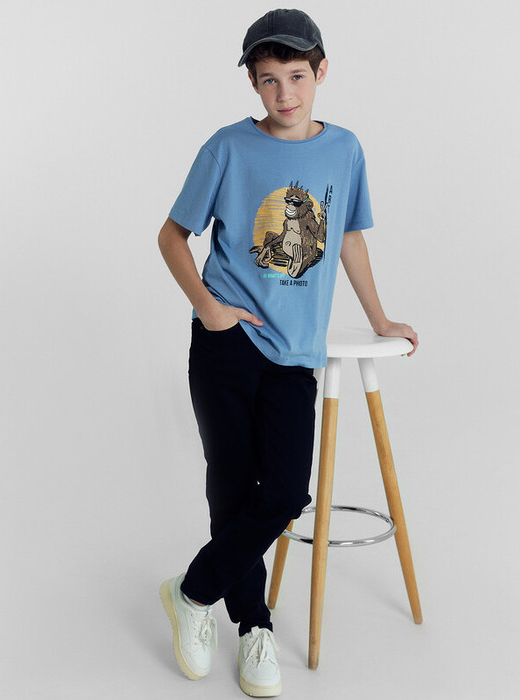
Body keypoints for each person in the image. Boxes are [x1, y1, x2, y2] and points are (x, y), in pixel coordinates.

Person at [157, 8, 418, 698]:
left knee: (283, 494)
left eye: (297, 76)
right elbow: (172, 235)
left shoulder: (345, 150)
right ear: (253, 82)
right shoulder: (227, 147)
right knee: (230, 487)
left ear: (321, 71)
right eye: (269, 79)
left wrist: (380, 317)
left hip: (295, 351)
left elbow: (349, 238)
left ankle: (190, 592)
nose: (284, 93)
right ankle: (254, 627)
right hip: (226, 341)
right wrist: (208, 307)